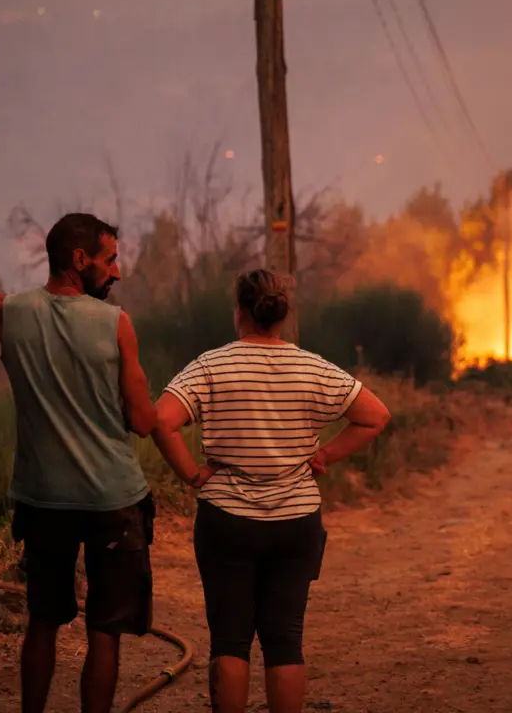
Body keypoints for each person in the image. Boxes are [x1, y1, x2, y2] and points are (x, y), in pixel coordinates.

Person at [0, 213, 208, 713]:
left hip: (45, 500)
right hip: (114, 501)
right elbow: (142, 421)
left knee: (43, 622)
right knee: (104, 632)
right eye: (110, 260)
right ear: (79, 259)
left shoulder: (8, 311)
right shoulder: (117, 324)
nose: (117, 272)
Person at [149, 268, 392, 713]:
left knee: (230, 641)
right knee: (284, 641)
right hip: (296, 523)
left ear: (239, 311)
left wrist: (191, 474)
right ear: (283, 314)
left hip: (226, 521)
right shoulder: (312, 367)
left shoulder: (211, 365)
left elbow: (161, 420)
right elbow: (375, 416)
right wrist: (325, 455)